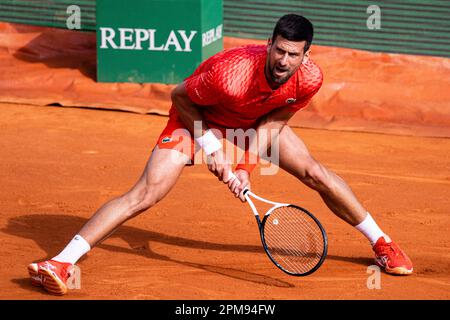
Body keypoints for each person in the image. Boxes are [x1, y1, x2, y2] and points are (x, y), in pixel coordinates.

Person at [28, 14, 413, 295]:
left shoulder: (309, 78)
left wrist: (245, 167)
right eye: (279, 51)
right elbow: (179, 96)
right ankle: (61, 261)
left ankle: (382, 243)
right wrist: (211, 146)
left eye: (293, 55)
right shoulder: (230, 74)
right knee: (146, 193)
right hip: (197, 117)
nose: (283, 61)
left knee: (314, 172)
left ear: (306, 55)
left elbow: (274, 122)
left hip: (254, 120)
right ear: (269, 44)